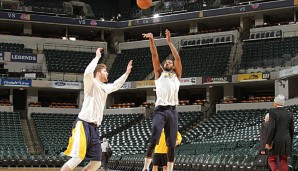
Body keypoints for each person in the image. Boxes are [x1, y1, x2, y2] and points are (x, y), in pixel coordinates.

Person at [61, 48, 133, 171]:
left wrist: (126, 73)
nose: (108, 73)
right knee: (77, 158)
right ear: (98, 73)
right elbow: (87, 73)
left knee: (97, 162)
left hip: (94, 128)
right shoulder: (91, 83)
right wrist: (97, 57)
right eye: (105, 71)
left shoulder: (104, 87)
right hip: (83, 124)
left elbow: (116, 85)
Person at [142, 29, 182, 171]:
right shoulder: (159, 73)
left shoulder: (177, 75)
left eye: (170, 62)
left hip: (172, 110)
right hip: (160, 110)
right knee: (155, 134)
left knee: (171, 143)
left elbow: (177, 58)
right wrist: (151, 40)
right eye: (167, 61)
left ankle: (170, 169)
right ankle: (146, 166)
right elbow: (154, 54)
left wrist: (169, 42)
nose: (169, 62)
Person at [265, 94, 294, 171]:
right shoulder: (289, 114)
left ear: (276, 103)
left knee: (271, 159)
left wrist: (268, 142)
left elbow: (272, 127)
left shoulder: (272, 112)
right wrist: (289, 141)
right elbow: (291, 129)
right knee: (284, 160)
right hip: (286, 140)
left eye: (274, 102)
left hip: (275, 140)